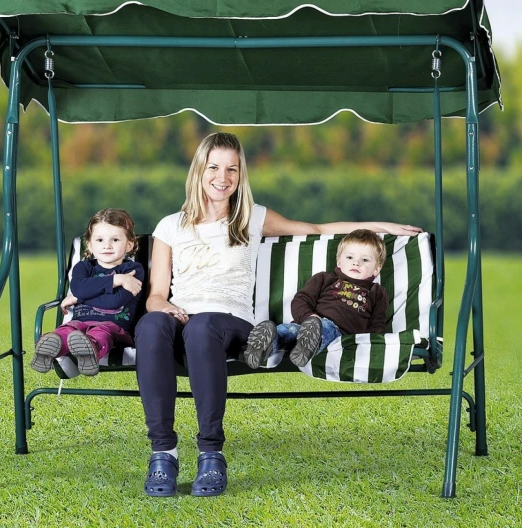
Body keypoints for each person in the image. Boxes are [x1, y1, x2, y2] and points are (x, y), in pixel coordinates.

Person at [135, 132, 421, 498]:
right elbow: (156, 295)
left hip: (228, 322)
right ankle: (163, 453)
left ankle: (211, 454)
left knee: (203, 326)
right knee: (151, 324)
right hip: (181, 319)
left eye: (232, 169)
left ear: (241, 175)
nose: (222, 177)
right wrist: (165, 308)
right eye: (214, 167)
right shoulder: (170, 226)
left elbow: (315, 230)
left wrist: (383, 228)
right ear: (198, 171)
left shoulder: (251, 217)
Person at [244, 229, 388, 370]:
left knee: (324, 328)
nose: (356, 263)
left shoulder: (377, 292)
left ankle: (307, 345)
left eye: (365, 260)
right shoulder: (325, 279)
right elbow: (301, 300)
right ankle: (264, 346)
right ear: (339, 261)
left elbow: (377, 324)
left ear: (376, 269)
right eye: (350, 257)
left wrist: (369, 347)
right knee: (287, 330)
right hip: (306, 325)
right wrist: (310, 317)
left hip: (339, 338)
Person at [31, 208, 144, 376]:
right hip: (79, 322)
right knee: (67, 331)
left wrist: (79, 298)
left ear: (129, 244)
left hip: (113, 327)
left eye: (115, 239)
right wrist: (115, 280)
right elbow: (78, 288)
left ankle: (90, 352)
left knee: (100, 333)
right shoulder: (83, 267)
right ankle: (48, 350)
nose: (107, 245)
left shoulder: (132, 270)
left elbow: (114, 302)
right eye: (99, 240)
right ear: (90, 244)